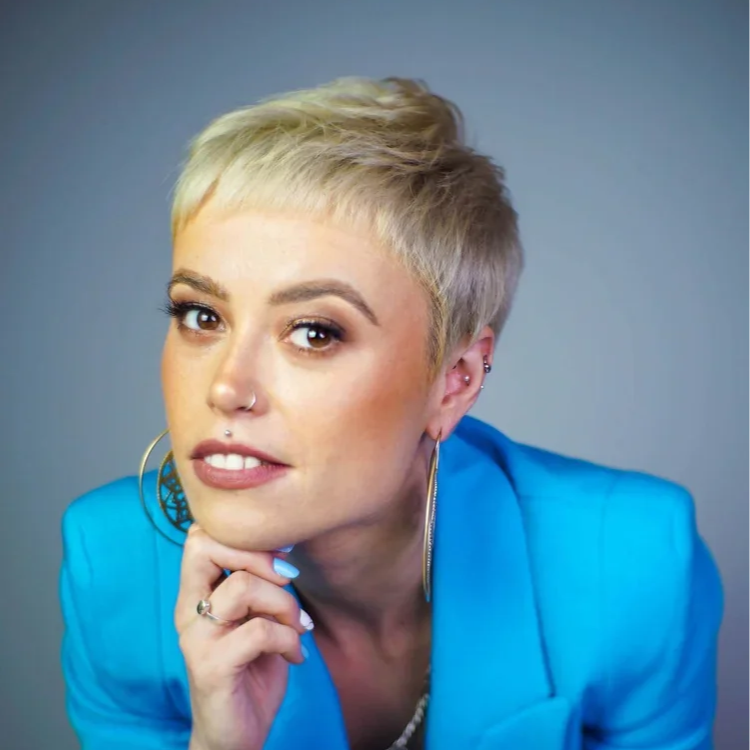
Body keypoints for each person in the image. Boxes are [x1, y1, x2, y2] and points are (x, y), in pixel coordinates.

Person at [59, 76, 723, 750]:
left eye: (315, 331)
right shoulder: (113, 566)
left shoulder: (630, 562)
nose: (227, 388)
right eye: (201, 315)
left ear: (455, 382)